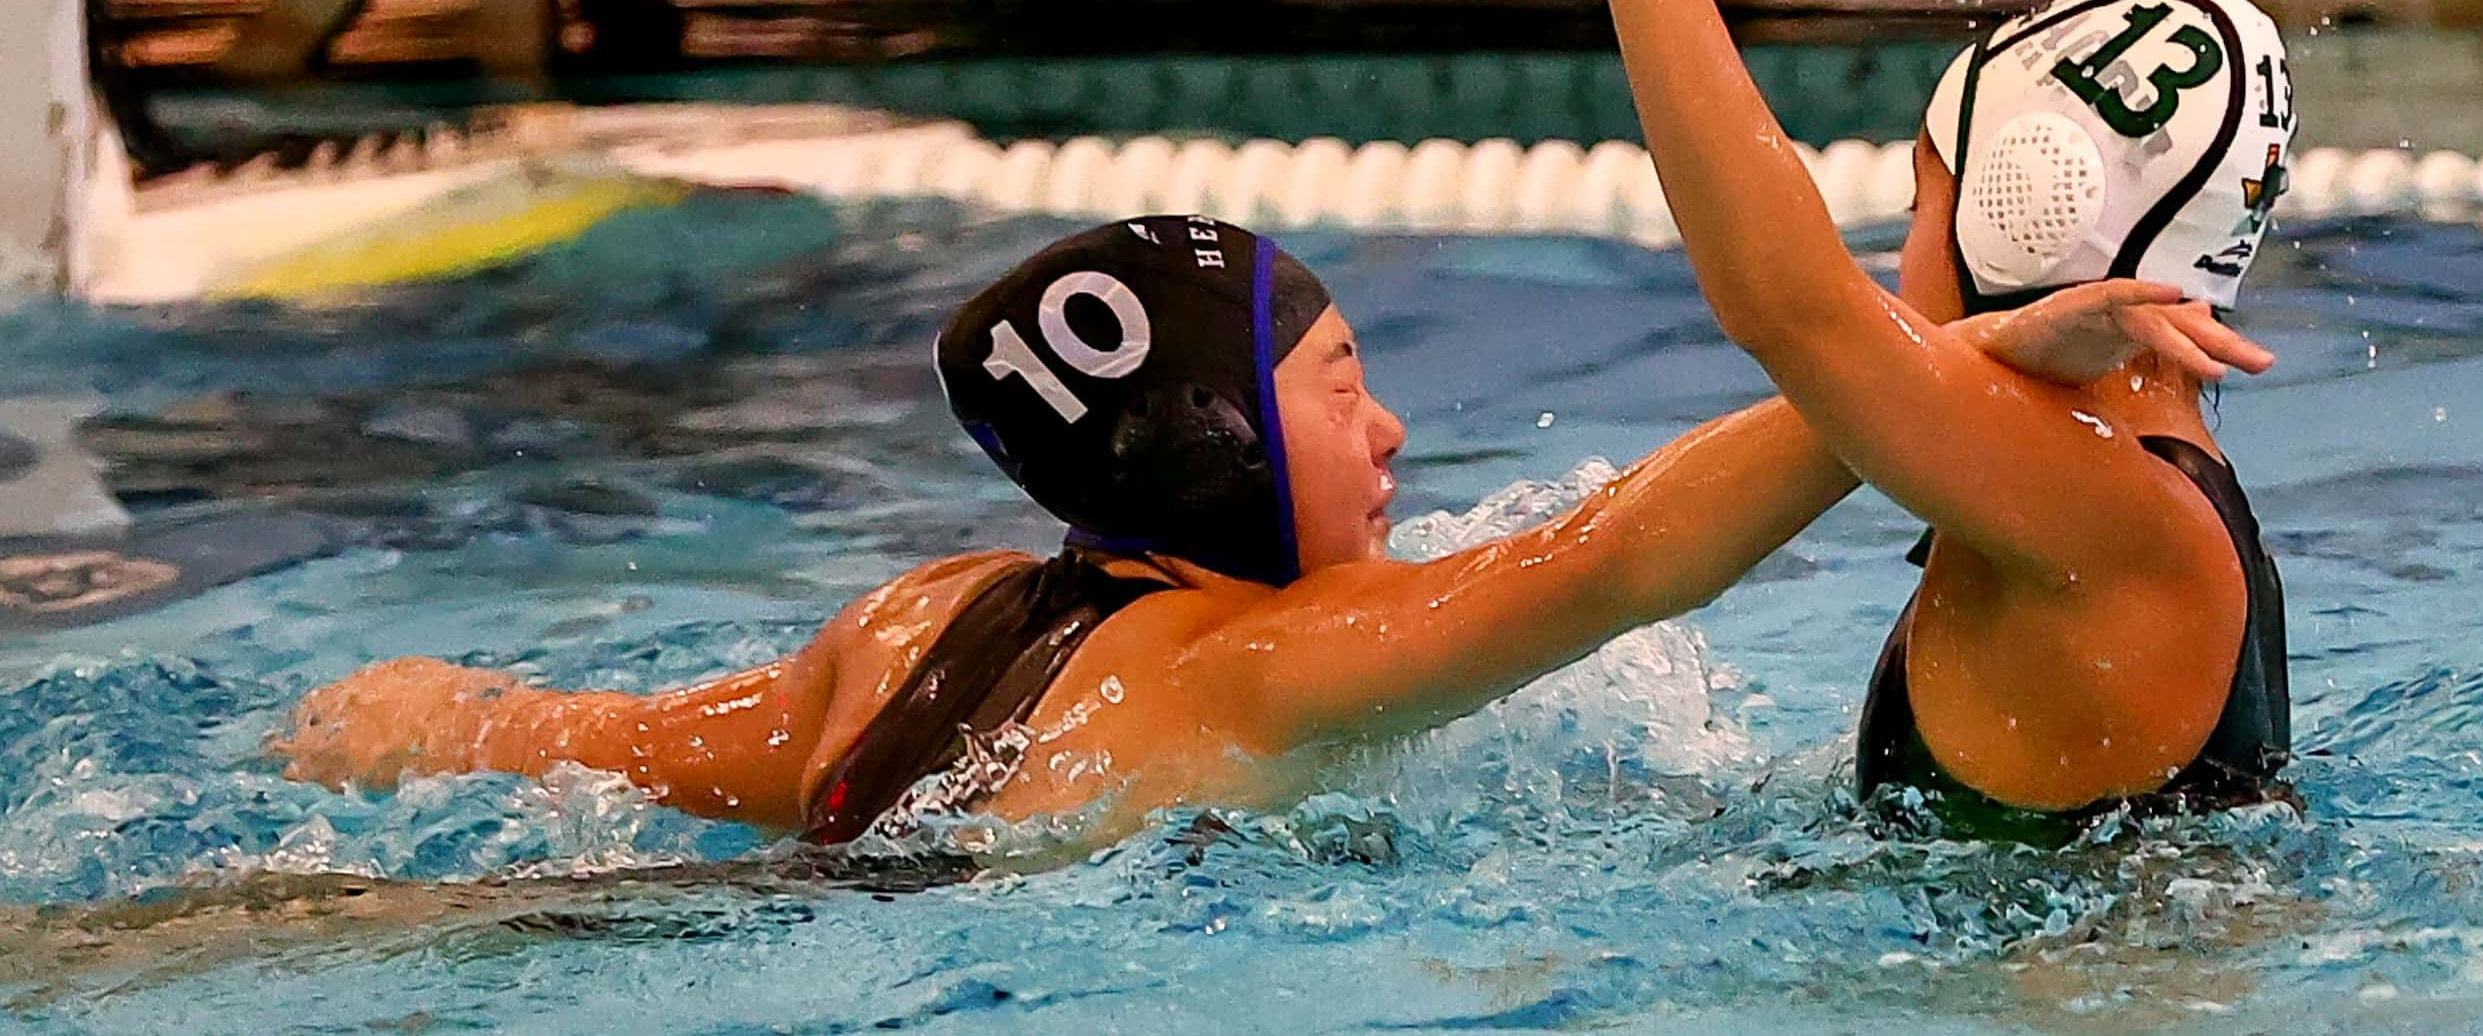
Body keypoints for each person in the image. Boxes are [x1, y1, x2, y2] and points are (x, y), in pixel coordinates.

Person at [275, 218, 2262, 852]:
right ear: (1217, 443)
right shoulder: (1251, 668)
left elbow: (654, 752)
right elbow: (1609, 561)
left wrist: (460, 717)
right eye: (1334, 395)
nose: (1391, 429)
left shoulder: (926, 617)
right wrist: (1941, 366)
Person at [1455, 0, 2296, 836]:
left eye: (1921, 201)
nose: (1899, 243)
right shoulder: (2127, 487)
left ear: (2022, 218)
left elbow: (1793, 311)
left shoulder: (2111, 516)